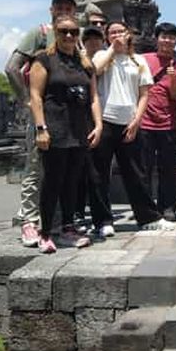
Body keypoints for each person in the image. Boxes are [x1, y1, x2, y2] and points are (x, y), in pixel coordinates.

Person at [5, 0, 77, 247]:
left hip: (66, 116)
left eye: (69, 7)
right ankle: (28, 221)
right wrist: (26, 100)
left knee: (59, 171)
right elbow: (12, 67)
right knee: (36, 167)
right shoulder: (40, 32)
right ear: (51, 9)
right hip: (41, 113)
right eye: (60, 6)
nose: (64, 10)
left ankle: (53, 224)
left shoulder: (72, 37)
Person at [28, 14, 102, 253]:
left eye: (73, 31)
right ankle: (46, 231)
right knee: (52, 182)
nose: (69, 36)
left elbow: (93, 97)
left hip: (79, 130)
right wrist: (41, 128)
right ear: (55, 33)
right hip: (55, 129)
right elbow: (36, 96)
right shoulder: (44, 59)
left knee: (72, 182)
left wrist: (98, 125)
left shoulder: (85, 63)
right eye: (63, 31)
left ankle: (68, 228)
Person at [92, 20, 172, 234]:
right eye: (112, 32)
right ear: (107, 36)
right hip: (106, 119)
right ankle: (103, 221)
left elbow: (145, 93)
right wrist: (112, 48)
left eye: (121, 31)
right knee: (100, 173)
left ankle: (148, 217)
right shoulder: (101, 56)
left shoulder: (138, 61)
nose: (117, 35)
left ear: (128, 34)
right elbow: (96, 71)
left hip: (129, 121)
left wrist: (137, 120)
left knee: (136, 172)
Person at [140, 22, 176, 222]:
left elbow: (175, 95)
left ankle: (168, 206)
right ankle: (147, 208)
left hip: (169, 122)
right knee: (145, 167)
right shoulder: (142, 60)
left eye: (171, 38)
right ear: (156, 38)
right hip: (144, 122)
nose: (167, 40)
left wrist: (173, 78)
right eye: (164, 36)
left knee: (168, 167)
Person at [73, 24, 112, 232]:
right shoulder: (76, 58)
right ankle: (77, 213)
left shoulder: (106, 57)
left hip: (99, 120)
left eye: (97, 38)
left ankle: (101, 218)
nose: (93, 42)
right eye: (89, 39)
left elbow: (98, 69)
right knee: (76, 171)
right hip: (76, 119)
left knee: (97, 173)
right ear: (83, 41)